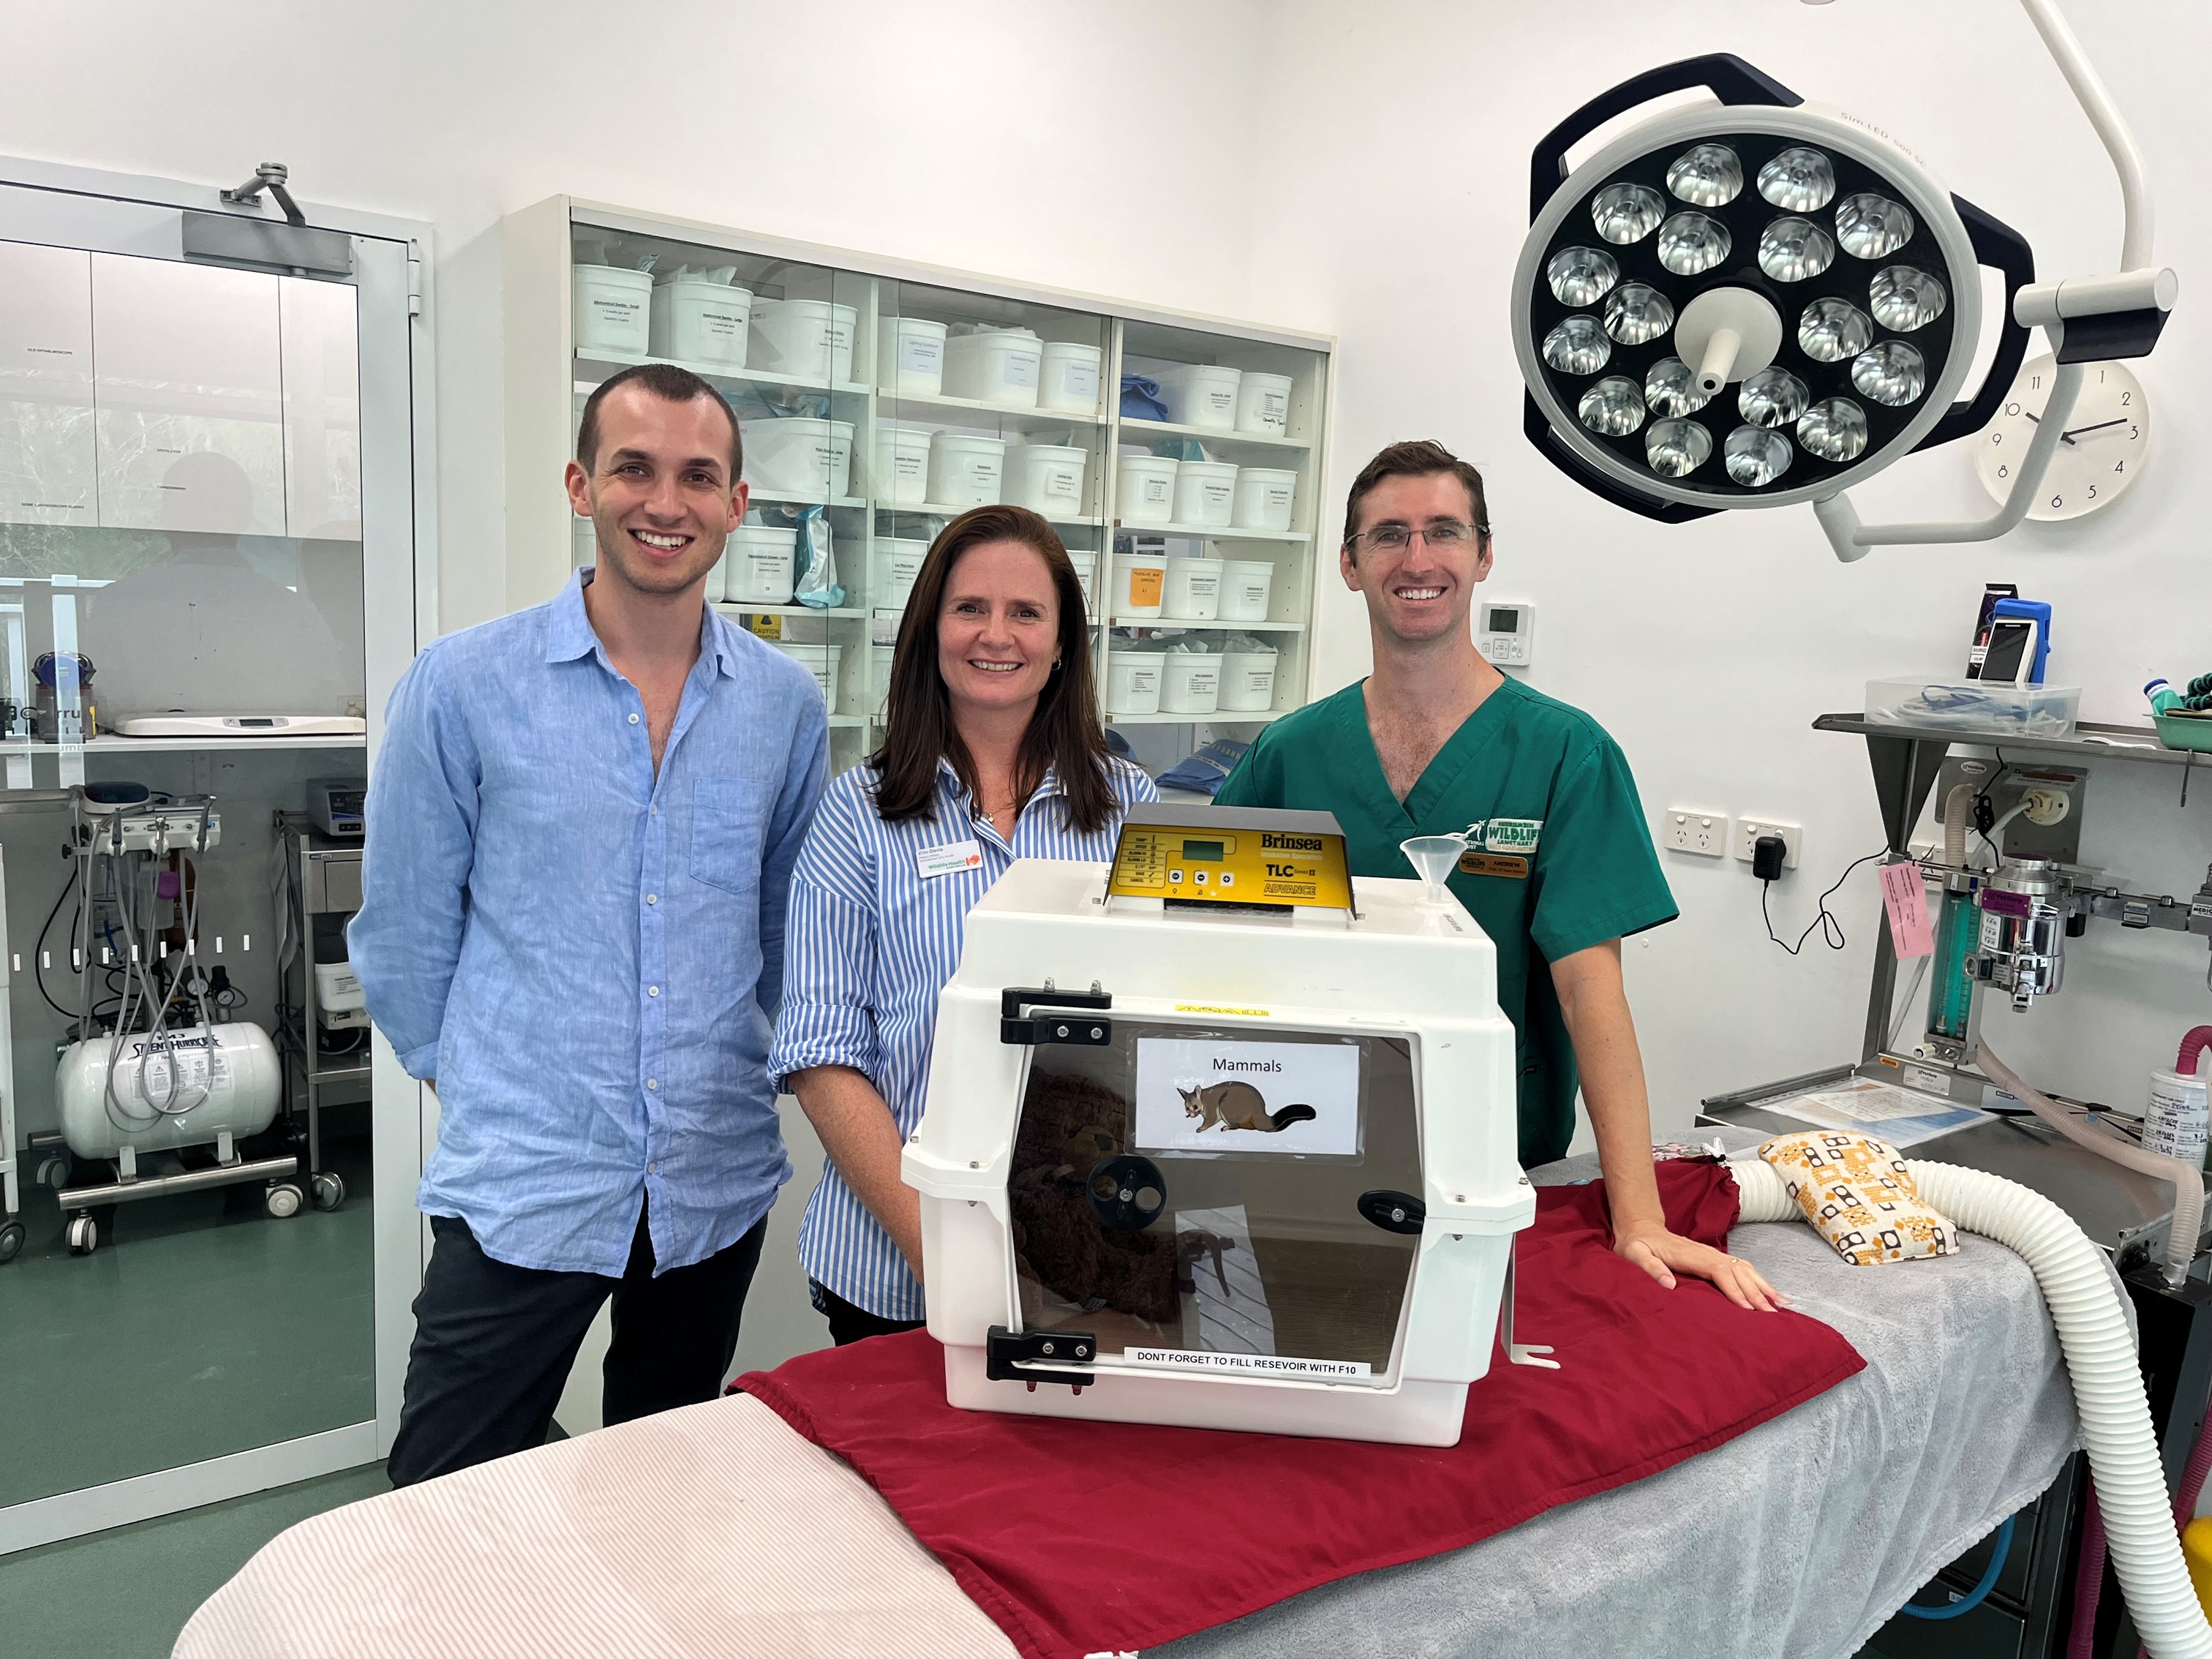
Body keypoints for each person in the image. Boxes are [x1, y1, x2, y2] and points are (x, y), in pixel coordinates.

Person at [351, 363, 829, 1485]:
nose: (666, 502)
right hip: (527, 1172)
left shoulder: (783, 706)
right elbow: (406, 939)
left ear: (736, 505)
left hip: (710, 1178)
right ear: (581, 484)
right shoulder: (463, 686)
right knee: (446, 1482)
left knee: (666, 1483)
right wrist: (488, 1087)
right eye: (635, 469)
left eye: (698, 477)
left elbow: (785, 930)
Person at [1214, 439, 1784, 1313]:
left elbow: (1590, 992)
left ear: (1483, 557)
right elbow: (1200, 944)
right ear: (1348, 565)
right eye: (1389, 536)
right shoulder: (1289, 756)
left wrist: (1638, 1216)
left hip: (1497, 1162)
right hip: (1307, 1153)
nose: (1417, 559)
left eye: (1444, 532)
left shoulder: (1565, 753)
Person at [770, 504, 1156, 1343]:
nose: (997, 635)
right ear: (931, 631)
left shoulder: (1131, 810)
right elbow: (823, 1054)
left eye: (1027, 613)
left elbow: (1167, 1021)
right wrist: (944, 1255)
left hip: (1092, 1259)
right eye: (969, 608)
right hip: (895, 1265)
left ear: (1062, 645)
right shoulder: (858, 815)